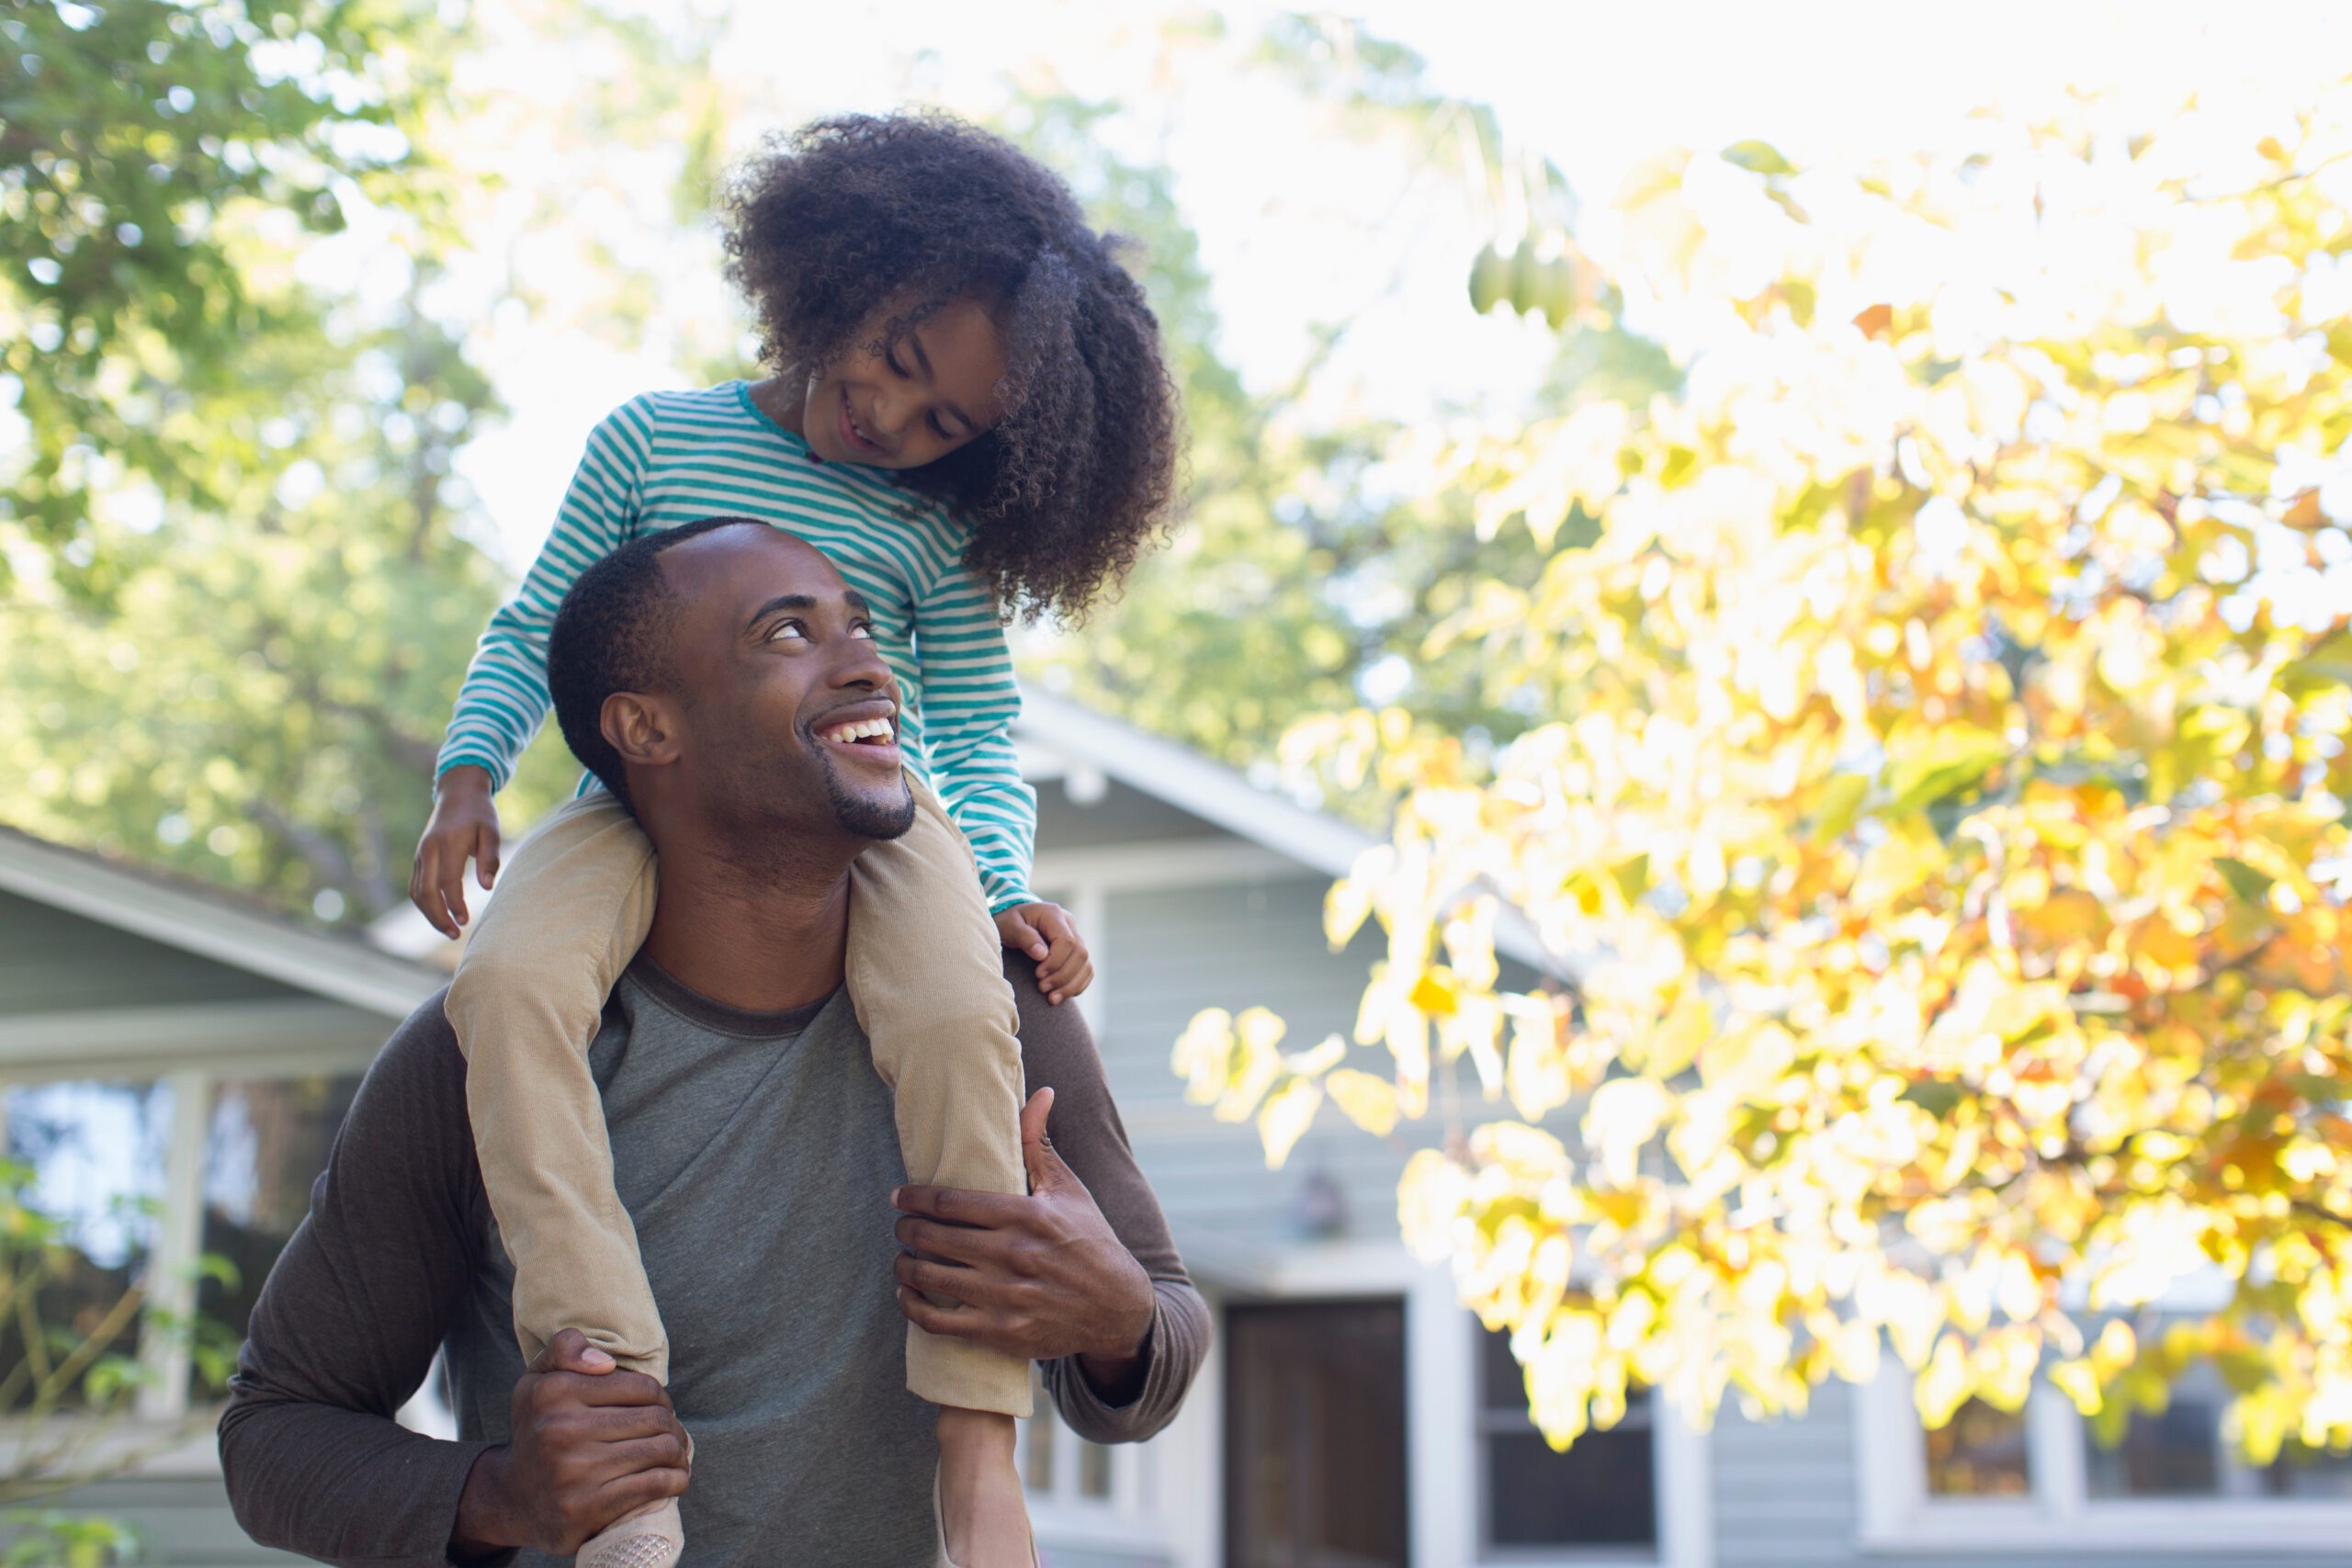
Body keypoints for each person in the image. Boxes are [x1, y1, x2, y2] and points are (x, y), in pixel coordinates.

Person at [403, 115, 1180, 1567]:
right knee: (504, 988)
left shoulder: (927, 540)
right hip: (631, 799)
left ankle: (973, 1441)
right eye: (894, 352)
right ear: (838, 274)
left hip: (878, 821)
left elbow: (974, 727)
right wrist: (467, 771)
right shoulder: (652, 438)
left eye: (946, 418)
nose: (892, 415)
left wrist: (1000, 887)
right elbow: (538, 619)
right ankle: (606, 1384)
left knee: (959, 1013)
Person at [220, 522, 1208, 1566]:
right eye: (788, 634)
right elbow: (275, 1433)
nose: (870, 664)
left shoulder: (1003, 1010)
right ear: (646, 729)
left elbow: (1162, 1345)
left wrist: (1115, 1315)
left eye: (860, 628)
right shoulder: (480, 1055)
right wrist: (500, 1494)